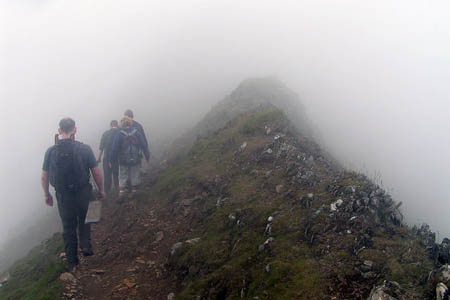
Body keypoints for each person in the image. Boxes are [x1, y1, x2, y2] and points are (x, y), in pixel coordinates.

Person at [41, 118, 105, 271]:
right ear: (75, 130)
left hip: (63, 196)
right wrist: (102, 190)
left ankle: (72, 262)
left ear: (59, 131)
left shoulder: (50, 151)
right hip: (83, 191)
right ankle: (86, 246)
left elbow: (44, 176)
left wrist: (46, 194)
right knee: (86, 217)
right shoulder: (85, 149)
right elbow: (96, 172)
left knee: (68, 227)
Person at [109, 117, 150, 195]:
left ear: (121, 124)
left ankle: (122, 193)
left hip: (123, 160)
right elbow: (143, 145)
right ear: (130, 123)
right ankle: (135, 191)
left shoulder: (119, 134)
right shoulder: (136, 132)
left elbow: (114, 148)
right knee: (135, 174)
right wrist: (147, 156)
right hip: (136, 158)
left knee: (122, 176)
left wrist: (111, 160)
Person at [97, 120, 120, 194]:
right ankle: (118, 192)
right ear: (117, 125)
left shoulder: (105, 134)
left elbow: (101, 147)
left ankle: (106, 193)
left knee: (107, 177)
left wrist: (99, 158)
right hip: (117, 158)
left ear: (110, 126)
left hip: (106, 158)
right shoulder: (120, 133)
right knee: (117, 176)